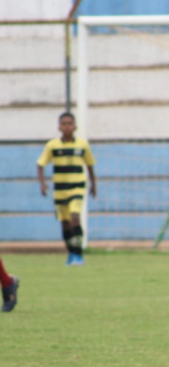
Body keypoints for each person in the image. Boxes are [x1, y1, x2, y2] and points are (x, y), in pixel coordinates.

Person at [36, 112, 96, 266]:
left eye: (70, 123)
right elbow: (41, 164)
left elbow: (89, 165)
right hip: (60, 189)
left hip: (77, 187)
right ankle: (71, 252)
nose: (67, 126)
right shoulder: (53, 146)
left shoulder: (82, 145)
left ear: (75, 126)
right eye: (64, 123)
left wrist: (94, 184)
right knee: (65, 223)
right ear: (59, 127)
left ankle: (78, 255)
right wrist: (42, 184)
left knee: (75, 217)